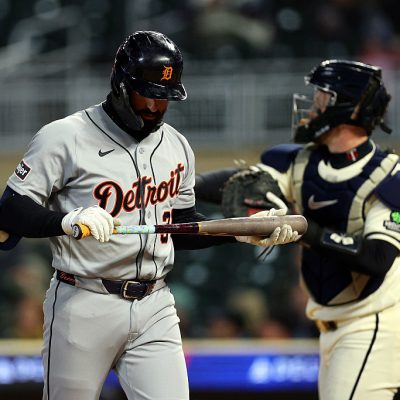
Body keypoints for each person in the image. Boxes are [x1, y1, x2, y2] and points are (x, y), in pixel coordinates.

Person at [0, 31, 299, 400]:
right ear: (121, 83)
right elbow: (10, 209)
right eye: (149, 93)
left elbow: (179, 227)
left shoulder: (177, 145)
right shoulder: (64, 136)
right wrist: (66, 220)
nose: (156, 106)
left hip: (155, 303)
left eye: (165, 98)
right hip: (83, 300)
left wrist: (239, 232)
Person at [195, 60, 400, 400]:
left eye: (322, 95)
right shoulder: (302, 161)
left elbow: (377, 258)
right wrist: (182, 183)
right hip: (330, 326)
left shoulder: (389, 174)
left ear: (348, 106)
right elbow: (246, 184)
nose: (313, 104)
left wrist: (305, 229)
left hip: (375, 323)